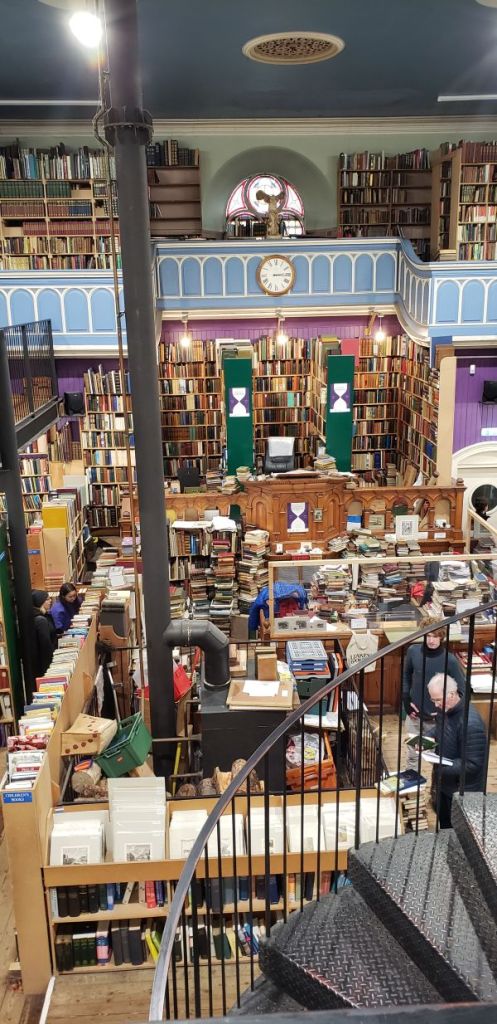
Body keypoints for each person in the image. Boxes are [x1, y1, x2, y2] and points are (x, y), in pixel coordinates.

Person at [402, 623, 466, 769]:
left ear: (441, 637)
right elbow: (406, 675)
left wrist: (446, 710)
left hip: (438, 721)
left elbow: (461, 691)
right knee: (412, 756)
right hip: (415, 716)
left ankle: (437, 783)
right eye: (428, 636)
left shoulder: (450, 660)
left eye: (435, 636)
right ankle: (412, 782)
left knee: (437, 758)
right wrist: (406, 699)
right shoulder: (413, 651)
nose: (431, 640)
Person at [428, 673, 487, 828]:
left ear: (452, 694)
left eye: (438, 700)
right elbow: (441, 728)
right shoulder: (445, 708)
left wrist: (441, 767)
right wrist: (426, 737)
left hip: (463, 791)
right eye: (433, 700)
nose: (436, 705)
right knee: (445, 826)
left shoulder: (471, 724)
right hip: (445, 785)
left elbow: (472, 764)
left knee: (459, 832)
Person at [32, 590, 57, 678]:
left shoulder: (44, 615)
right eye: (47, 599)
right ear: (40, 602)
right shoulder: (40, 620)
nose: (50, 601)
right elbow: (45, 645)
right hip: (46, 663)